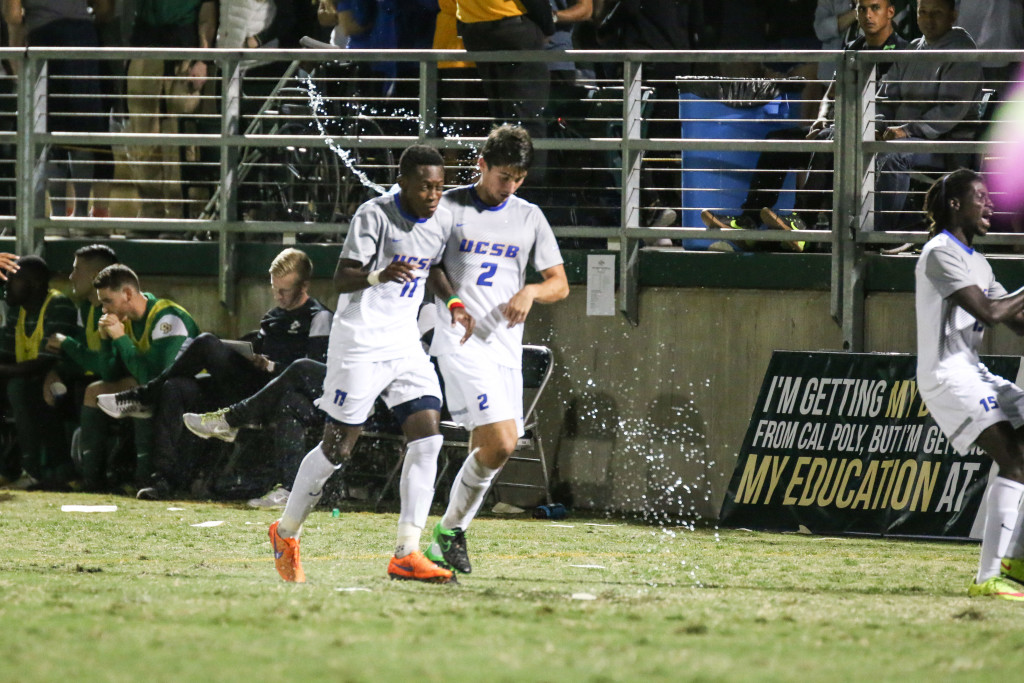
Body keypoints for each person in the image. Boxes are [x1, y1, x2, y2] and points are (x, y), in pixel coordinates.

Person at [267, 144, 472, 584]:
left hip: (402, 342)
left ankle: (406, 552)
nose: (434, 195)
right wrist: (381, 274)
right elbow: (342, 277)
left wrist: (453, 301)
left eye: (439, 186)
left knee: (428, 438)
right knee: (337, 448)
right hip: (359, 340)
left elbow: (434, 266)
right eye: (425, 187)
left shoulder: (441, 217)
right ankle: (286, 532)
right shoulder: (373, 215)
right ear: (403, 183)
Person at [423, 124, 569, 575]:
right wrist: (453, 301)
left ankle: (442, 540)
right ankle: (447, 531)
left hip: (505, 348)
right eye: (503, 176)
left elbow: (559, 284)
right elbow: (428, 265)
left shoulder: (529, 217)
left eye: (518, 179)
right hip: (458, 339)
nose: (510, 186)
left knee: (491, 446)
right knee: (505, 442)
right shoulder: (450, 207)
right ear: (481, 164)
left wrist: (530, 291)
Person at [97, 248, 332, 498]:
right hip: (251, 387)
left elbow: (310, 375)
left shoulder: (319, 317)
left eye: (284, 290)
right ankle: (165, 481)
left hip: (280, 395)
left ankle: (143, 397)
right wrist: (251, 357)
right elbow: (256, 355)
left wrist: (273, 366)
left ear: (304, 286)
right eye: (274, 288)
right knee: (178, 384)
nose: (278, 295)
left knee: (207, 345)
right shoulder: (272, 318)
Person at [701, 0, 907, 243]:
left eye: (875, 8)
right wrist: (821, 117)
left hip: (871, 137)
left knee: (827, 139)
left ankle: (803, 223)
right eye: (862, 9)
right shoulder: (852, 48)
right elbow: (831, 94)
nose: (868, 15)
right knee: (779, 142)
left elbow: (897, 108)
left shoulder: (902, 52)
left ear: (890, 12)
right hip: (837, 129)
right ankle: (748, 220)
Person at [914, 169, 1024, 601]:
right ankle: (990, 577)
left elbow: (1015, 322)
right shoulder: (940, 253)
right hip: (947, 374)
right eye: (981, 197)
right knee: (1013, 460)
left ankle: (1013, 564)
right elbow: (992, 313)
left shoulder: (978, 261)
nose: (990, 204)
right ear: (955, 204)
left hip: (973, 370)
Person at [90, 264, 201, 495]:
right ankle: (92, 479)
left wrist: (120, 338)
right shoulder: (125, 319)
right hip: (156, 388)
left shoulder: (168, 318)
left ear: (128, 294)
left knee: (144, 388)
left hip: (193, 391)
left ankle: (145, 477)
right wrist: (105, 341)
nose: (104, 310)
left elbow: (155, 379)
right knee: (95, 390)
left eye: (107, 301)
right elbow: (109, 374)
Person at [872, 0, 983, 231]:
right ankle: (816, 223)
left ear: (952, 16)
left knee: (892, 156)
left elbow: (950, 110)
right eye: (923, 12)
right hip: (904, 138)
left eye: (937, 14)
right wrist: (876, 125)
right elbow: (885, 98)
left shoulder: (962, 51)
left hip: (945, 143)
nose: (928, 20)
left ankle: (880, 234)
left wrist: (906, 131)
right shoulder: (912, 49)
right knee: (837, 138)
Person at [1, 0, 112, 218]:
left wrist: (19, 32)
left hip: (45, 36)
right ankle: (80, 213)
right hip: (84, 37)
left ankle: (59, 214)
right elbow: (105, 8)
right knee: (84, 129)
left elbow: (13, 15)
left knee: (49, 130)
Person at [124, 0, 216, 220]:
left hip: (183, 57)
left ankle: (185, 213)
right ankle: (150, 213)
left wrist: (202, 59)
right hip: (144, 53)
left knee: (181, 142)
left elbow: (207, 17)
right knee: (142, 139)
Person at [43, 244, 123, 491]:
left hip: (122, 379)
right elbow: (81, 354)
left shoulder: (116, 309)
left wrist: (67, 345)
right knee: (48, 388)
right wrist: (56, 371)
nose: (70, 276)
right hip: (93, 378)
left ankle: (95, 478)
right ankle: (60, 472)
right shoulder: (86, 307)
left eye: (76, 270)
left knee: (87, 390)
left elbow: (106, 363)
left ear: (95, 276)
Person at [0, 256, 79, 489]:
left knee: (18, 387)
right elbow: (5, 353)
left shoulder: (58, 305)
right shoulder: (17, 311)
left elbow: (45, 362)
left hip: (61, 382)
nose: (5, 285)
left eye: (12, 280)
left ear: (33, 284)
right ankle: (5, 469)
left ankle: (32, 470)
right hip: (27, 377)